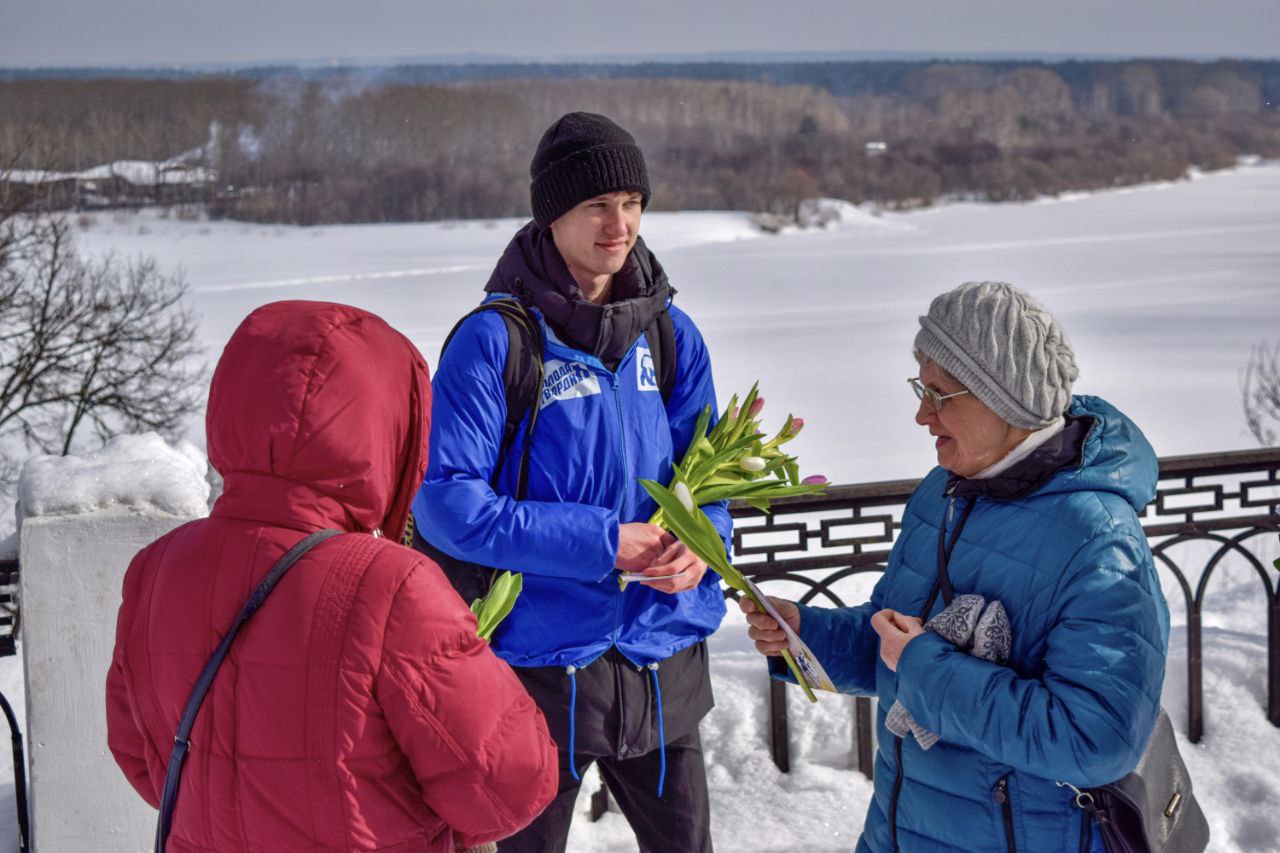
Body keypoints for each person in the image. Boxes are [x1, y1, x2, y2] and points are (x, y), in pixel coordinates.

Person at [106, 301, 558, 852]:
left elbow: (145, 761)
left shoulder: (155, 570)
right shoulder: (393, 586)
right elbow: (508, 787)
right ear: (388, 425)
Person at [743, 281, 1170, 852]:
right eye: (921, 387)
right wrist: (806, 635)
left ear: (1005, 400)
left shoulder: (1096, 539)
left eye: (940, 393)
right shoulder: (944, 493)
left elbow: (1094, 740)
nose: (922, 414)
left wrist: (924, 664)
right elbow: (895, 638)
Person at [412, 112, 728, 852]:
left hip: (660, 660)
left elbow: (712, 473)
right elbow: (447, 503)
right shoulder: (495, 342)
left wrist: (701, 546)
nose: (619, 223)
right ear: (552, 211)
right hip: (538, 675)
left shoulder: (672, 335)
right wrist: (600, 543)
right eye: (596, 204)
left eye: (632, 201)